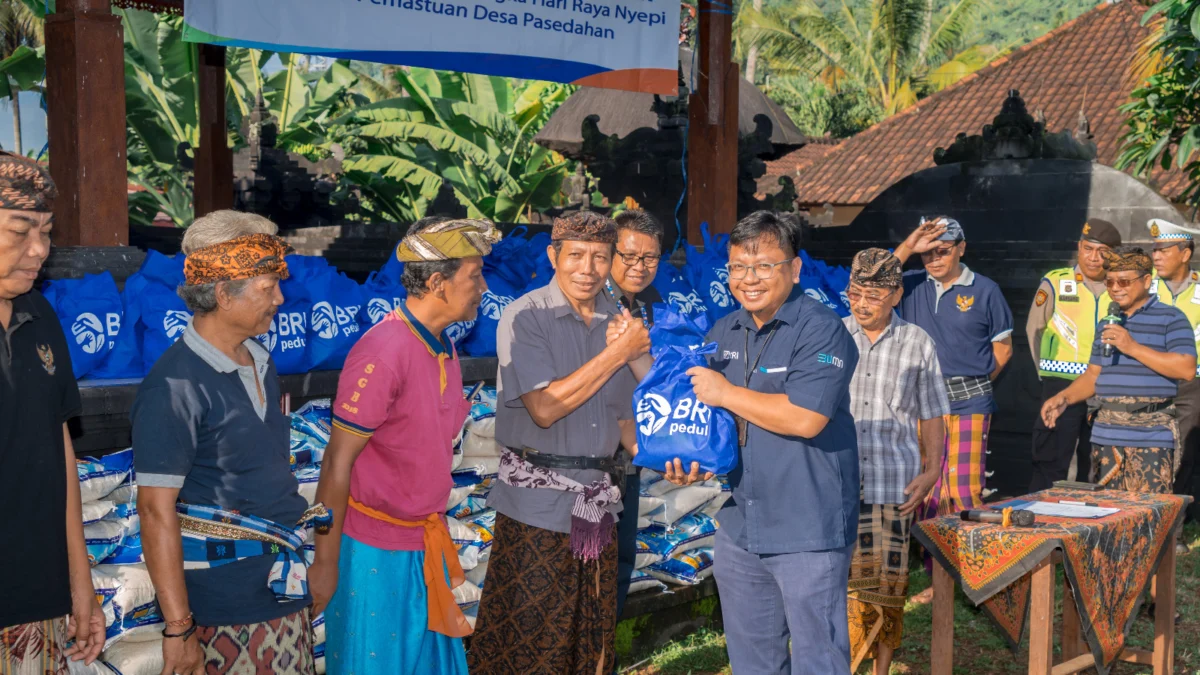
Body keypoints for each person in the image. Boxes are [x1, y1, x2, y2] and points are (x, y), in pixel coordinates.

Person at [133, 211, 325, 675]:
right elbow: (156, 511)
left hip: (282, 591)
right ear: (223, 294)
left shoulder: (260, 358)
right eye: (267, 288)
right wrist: (179, 628)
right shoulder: (175, 386)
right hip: (223, 613)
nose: (280, 298)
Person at [309, 218, 498, 674]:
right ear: (437, 282)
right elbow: (337, 462)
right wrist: (325, 564)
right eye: (474, 276)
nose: (483, 287)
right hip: (372, 552)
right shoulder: (384, 351)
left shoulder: (445, 348)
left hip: (423, 545)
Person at [468, 211, 650, 674]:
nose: (587, 269)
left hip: (600, 509)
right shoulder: (526, 315)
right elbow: (545, 407)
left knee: (590, 642)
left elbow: (628, 418)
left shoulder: (619, 321)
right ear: (553, 256)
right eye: (576, 256)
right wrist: (617, 355)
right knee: (529, 641)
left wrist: (671, 458)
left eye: (600, 258)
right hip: (537, 508)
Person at [681, 210, 860, 674]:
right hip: (742, 526)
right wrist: (689, 458)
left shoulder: (823, 329)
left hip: (807, 526)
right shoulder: (724, 332)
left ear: (794, 269)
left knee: (819, 659)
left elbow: (806, 418)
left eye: (764, 265)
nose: (749, 278)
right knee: (753, 662)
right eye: (738, 267)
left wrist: (726, 393)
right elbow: (708, 419)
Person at [0, 152, 105, 673]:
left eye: (45, 231)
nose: (39, 249)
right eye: (21, 231)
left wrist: (80, 580)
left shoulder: (40, 316)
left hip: (40, 595)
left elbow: (58, 443)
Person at [841, 249, 949, 675]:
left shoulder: (917, 342)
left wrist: (931, 471)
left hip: (893, 484)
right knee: (841, 587)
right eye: (856, 292)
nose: (862, 303)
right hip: (836, 484)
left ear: (896, 294)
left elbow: (932, 413)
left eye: (873, 294)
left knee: (888, 585)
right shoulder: (832, 335)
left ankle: (880, 669)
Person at [1041, 245, 1196, 496]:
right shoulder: (1108, 322)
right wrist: (1064, 398)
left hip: (1151, 437)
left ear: (1147, 280)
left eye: (1124, 281)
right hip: (1106, 435)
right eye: (1109, 281)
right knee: (1107, 519)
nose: (1115, 288)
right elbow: (1094, 375)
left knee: (1149, 519)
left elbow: (1186, 368)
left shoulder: (1172, 318)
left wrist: (1131, 347)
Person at [893, 217, 1014, 520]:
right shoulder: (909, 284)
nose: (934, 259)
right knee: (920, 485)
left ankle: (961, 563)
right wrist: (909, 246)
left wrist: (974, 383)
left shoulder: (986, 290)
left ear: (962, 248)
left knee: (963, 489)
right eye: (928, 253)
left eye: (943, 251)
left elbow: (1003, 348)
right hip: (918, 403)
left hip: (969, 402)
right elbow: (870, 280)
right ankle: (928, 561)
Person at [1025, 219, 1121, 491]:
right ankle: (1038, 515)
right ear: (1079, 247)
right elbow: (1035, 329)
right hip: (1061, 384)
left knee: (1097, 465)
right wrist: (1045, 376)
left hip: (1105, 387)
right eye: (1088, 248)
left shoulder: (1121, 289)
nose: (1093, 257)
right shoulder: (1056, 282)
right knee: (1050, 459)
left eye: (1102, 251)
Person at [607, 208, 663, 622]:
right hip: (595, 460)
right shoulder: (594, 306)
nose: (638, 267)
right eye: (628, 256)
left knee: (622, 561)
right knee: (597, 565)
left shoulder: (644, 309)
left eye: (649, 258)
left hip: (631, 457)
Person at [1148, 219, 1200, 550]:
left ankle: (1173, 533)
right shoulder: (1143, 288)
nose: (1156, 256)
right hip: (1149, 381)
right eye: (1154, 250)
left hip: (1192, 385)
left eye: (1163, 250)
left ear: (1185, 253)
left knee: (1183, 457)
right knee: (1150, 456)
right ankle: (1145, 528)